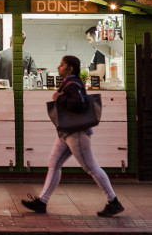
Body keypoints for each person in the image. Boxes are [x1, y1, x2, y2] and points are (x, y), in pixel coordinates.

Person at [21, 55, 124, 218]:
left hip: (77, 133)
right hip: (67, 132)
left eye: (62, 65)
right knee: (54, 163)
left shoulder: (73, 83)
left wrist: (59, 97)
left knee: (91, 168)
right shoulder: (71, 82)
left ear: (70, 68)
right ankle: (42, 202)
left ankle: (113, 201)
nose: (58, 67)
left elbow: (79, 104)